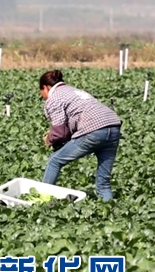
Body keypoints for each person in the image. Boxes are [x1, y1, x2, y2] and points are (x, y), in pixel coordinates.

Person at [39, 70, 121, 201]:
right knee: (103, 183)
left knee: (54, 161)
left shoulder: (54, 97)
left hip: (93, 130)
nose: (42, 96)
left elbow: (59, 133)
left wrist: (49, 139)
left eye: (41, 93)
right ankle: (111, 212)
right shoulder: (75, 91)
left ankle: (42, 199)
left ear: (45, 87)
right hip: (113, 126)